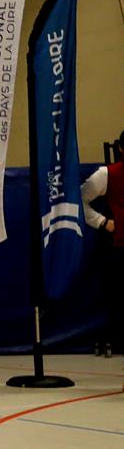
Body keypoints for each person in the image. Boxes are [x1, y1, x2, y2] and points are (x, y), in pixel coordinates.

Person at [80, 130, 123, 357]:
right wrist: (102, 222)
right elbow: (79, 199)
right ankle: (114, 339)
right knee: (115, 295)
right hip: (118, 244)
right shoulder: (107, 174)